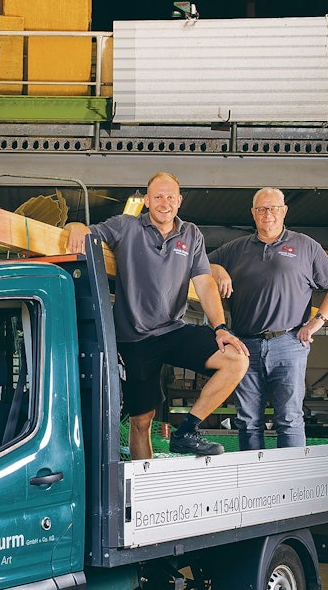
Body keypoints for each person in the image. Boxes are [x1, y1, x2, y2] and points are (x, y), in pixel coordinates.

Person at [64, 172, 247, 459]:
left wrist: (221, 327)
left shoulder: (191, 234)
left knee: (236, 359)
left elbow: (203, 283)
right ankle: (143, 492)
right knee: (141, 422)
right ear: (147, 200)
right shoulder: (126, 226)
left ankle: (187, 431)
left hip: (173, 331)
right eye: (158, 196)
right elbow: (87, 232)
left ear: (179, 201)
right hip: (133, 339)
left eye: (170, 197)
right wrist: (74, 224)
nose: (164, 203)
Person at [209, 187, 328, 450]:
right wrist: (217, 269)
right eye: (261, 209)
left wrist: (317, 322)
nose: (267, 214)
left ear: (284, 211)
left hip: (288, 343)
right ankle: (253, 485)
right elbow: (199, 267)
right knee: (248, 420)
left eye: (273, 208)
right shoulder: (236, 249)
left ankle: (291, 485)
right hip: (244, 346)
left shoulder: (305, 246)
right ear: (253, 214)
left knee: (289, 418)